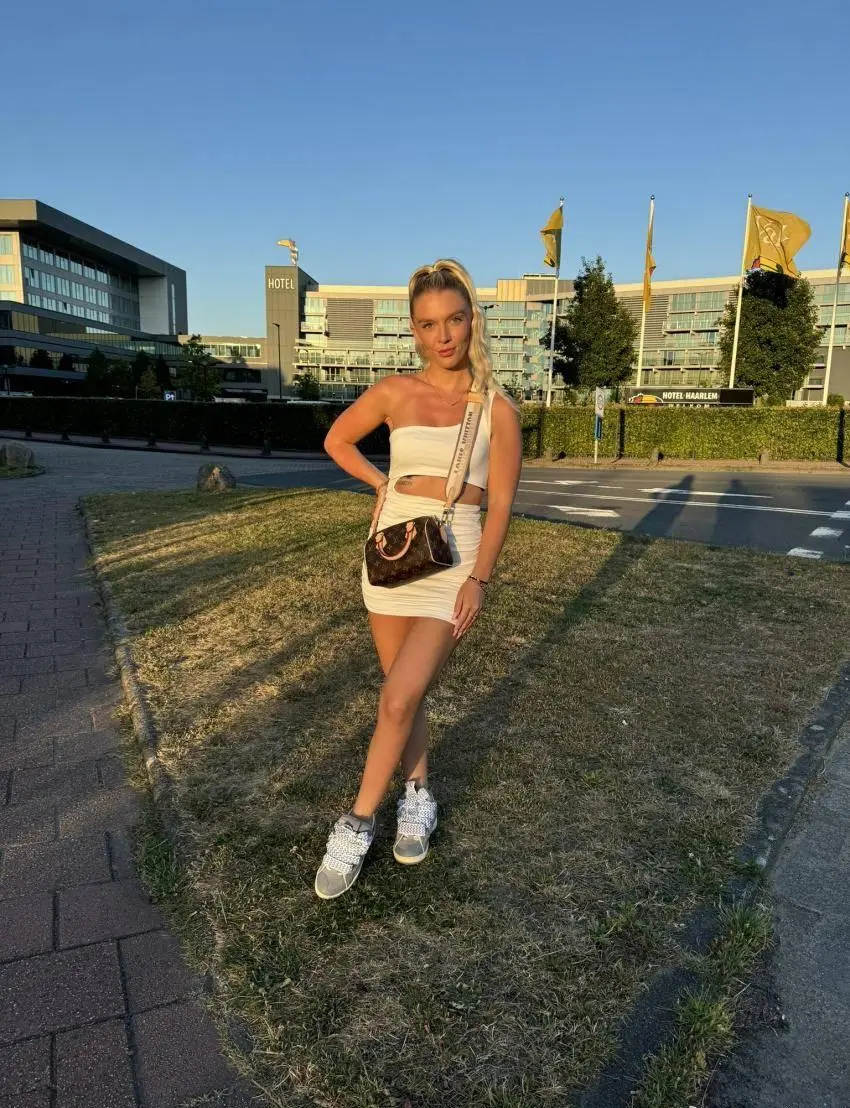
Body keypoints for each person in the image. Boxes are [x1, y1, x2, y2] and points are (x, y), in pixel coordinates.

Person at [316, 258, 522, 899]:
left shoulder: (497, 410)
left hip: (454, 563)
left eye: (454, 319)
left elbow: (501, 504)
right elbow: (337, 441)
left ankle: (356, 823)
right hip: (391, 554)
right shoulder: (394, 392)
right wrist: (381, 483)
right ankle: (417, 796)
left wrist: (479, 580)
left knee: (399, 697)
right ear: (413, 329)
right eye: (429, 324)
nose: (444, 336)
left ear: (472, 319)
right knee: (405, 693)